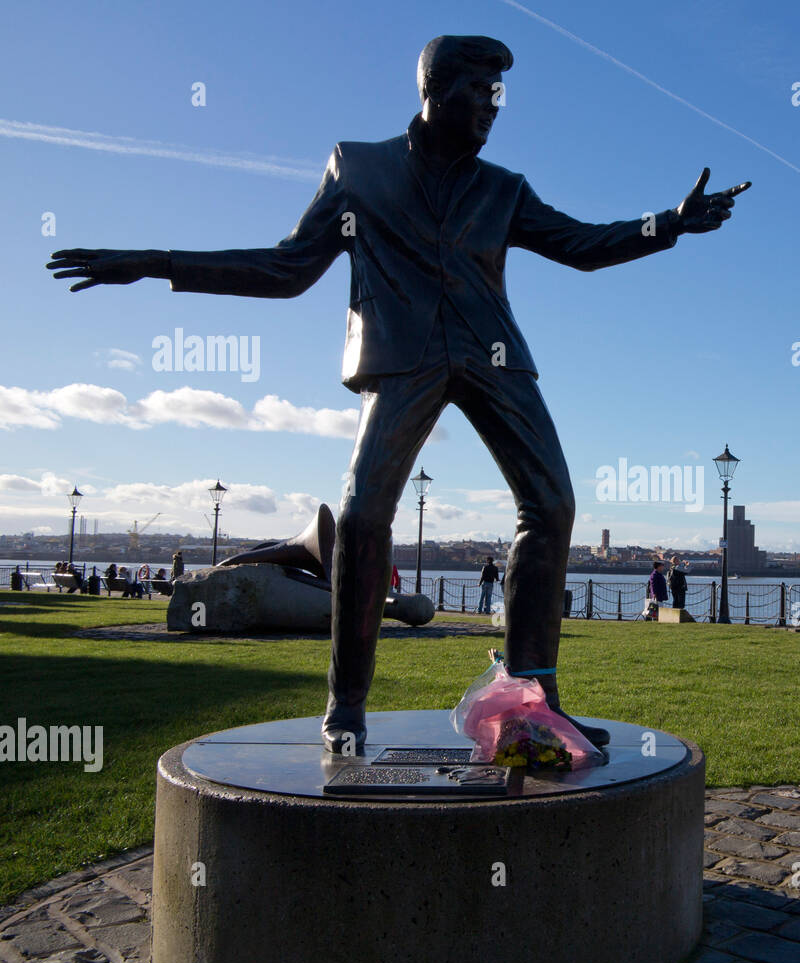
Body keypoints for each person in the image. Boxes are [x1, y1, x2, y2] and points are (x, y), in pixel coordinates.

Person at [48, 34, 749, 752]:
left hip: (492, 356)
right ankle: (345, 704)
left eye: (498, 95)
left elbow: (580, 244)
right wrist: (154, 263)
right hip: (403, 359)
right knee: (359, 516)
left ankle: (536, 698)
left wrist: (669, 222)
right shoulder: (360, 169)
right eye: (480, 92)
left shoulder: (502, 189)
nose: (493, 108)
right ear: (436, 90)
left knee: (552, 503)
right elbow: (287, 268)